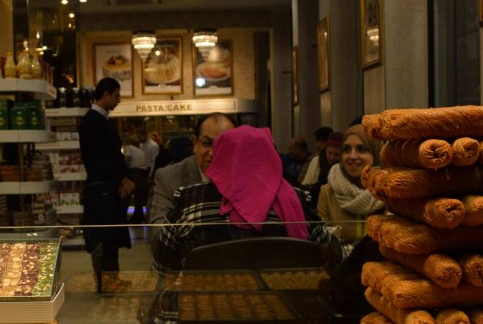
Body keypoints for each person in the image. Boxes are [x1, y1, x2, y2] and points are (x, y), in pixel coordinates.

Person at [152, 126, 333, 272]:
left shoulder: (189, 200)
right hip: (286, 309)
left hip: (205, 308)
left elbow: (162, 263)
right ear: (270, 156)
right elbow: (331, 253)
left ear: (221, 155)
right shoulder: (296, 200)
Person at [79, 77, 134, 289]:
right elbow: (99, 158)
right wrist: (121, 178)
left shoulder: (101, 120)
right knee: (102, 237)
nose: (119, 100)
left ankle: (113, 278)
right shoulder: (92, 121)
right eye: (117, 95)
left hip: (108, 188)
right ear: (106, 94)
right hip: (101, 189)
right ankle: (104, 282)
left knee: (111, 235)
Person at [148, 112, 234, 245]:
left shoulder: (246, 176)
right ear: (195, 143)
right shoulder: (168, 177)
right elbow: (158, 236)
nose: (213, 152)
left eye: (223, 144)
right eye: (207, 143)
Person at [317, 124, 385, 245]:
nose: (352, 156)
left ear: (376, 154)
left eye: (361, 149)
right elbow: (324, 245)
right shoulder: (328, 192)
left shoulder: (388, 192)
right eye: (347, 149)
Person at [123, 130, 151, 223]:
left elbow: (127, 159)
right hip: (143, 174)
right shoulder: (140, 150)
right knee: (139, 198)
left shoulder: (128, 148)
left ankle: (123, 217)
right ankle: (138, 217)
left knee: (126, 196)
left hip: (134, 173)